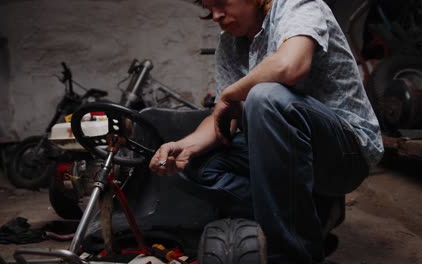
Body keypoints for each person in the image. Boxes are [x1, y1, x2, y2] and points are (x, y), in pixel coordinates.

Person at [149, 0, 384, 262]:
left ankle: (292, 255)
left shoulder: (299, 5)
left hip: (343, 154)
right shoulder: (230, 44)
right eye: (208, 7)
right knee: (193, 166)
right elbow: (223, 117)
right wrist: (186, 145)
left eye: (221, 3)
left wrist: (231, 93)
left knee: (266, 97)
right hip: (288, 159)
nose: (215, 15)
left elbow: (289, 67)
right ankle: (310, 212)